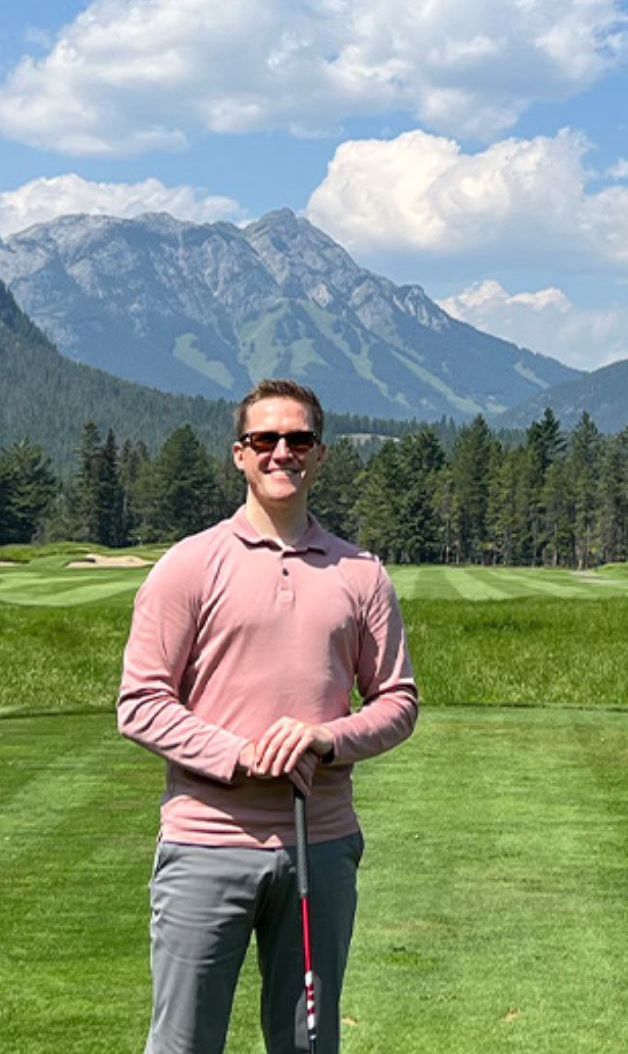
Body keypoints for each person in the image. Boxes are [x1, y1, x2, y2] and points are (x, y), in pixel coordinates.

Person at [118, 378, 419, 1054]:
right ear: (240, 454)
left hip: (323, 845)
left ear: (319, 454)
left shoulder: (360, 572)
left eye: (298, 438)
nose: (282, 451)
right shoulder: (190, 566)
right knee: (183, 1044)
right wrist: (240, 755)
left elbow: (398, 702)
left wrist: (325, 738)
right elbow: (139, 703)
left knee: (308, 1045)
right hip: (205, 845)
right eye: (265, 439)